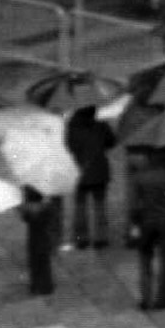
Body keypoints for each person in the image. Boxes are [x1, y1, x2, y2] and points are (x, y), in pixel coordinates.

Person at [131, 148, 165, 309]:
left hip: (146, 222)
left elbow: (134, 205)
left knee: (145, 259)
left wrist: (134, 223)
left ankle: (146, 298)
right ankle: (164, 298)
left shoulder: (140, 176)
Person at [65, 104, 115, 248]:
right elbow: (111, 142)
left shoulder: (71, 127)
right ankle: (101, 237)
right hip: (99, 170)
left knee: (80, 206)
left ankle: (81, 238)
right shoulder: (101, 125)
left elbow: (67, 147)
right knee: (100, 205)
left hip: (79, 170)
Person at [16, 186, 58, 297]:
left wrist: (19, 207)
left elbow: (24, 217)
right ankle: (46, 286)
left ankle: (35, 286)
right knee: (45, 263)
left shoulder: (28, 210)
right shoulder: (47, 208)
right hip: (45, 238)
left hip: (33, 240)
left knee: (34, 263)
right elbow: (53, 214)